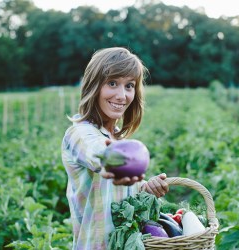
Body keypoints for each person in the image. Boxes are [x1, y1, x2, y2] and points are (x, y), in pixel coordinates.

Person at [61, 47, 169, 250]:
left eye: (129, 86)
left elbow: (120, 191)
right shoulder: (79, 133)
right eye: (112, 83)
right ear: (93, 86)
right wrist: (111, 161)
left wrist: (146, 188)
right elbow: (97, 153)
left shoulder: (116, 137)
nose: (122, 95)